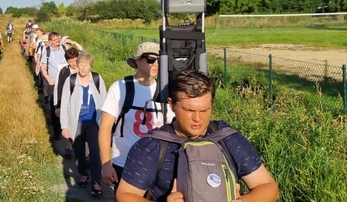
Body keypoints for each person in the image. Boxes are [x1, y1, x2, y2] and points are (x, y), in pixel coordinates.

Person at [116, 70, 279, 202]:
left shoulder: (228, 138)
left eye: (204, 110)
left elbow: (268, 187)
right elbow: (125, 195)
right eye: (189, 110)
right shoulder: (153, 145)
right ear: (172, 105)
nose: (197, 119)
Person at [98, 42, 174, 193]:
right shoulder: (120, 88)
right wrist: (106, 164)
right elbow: (105, 127)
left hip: (158, 165)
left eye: (160, 60)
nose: (156, 64)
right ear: (138, 61)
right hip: (125, 163)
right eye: (151, 59)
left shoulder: (166, 91)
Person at [60, 53, 107, 196]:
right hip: (77, 122)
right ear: (77, 65)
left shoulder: (97, 79)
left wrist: (106, 124)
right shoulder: (71, 80)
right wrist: (64, 126)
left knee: (94, 151)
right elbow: (65, 105)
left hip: (94, 122)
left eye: (86, 65)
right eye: (80, 64)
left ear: (90, 66)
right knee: (79, 151)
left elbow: (105, 101)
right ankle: (83, 174)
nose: (83, 67)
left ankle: (96, 182)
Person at [53, 47, 80, 156]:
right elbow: (58, 88)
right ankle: (68, 147)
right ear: (67, 61)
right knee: (67, 125)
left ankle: (83, 150)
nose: (74, 63)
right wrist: (57, 106)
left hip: (80, 103)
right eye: (71, 61)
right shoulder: (63, 72)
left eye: (75, 60)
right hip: (66, 103)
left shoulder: (84, 69)